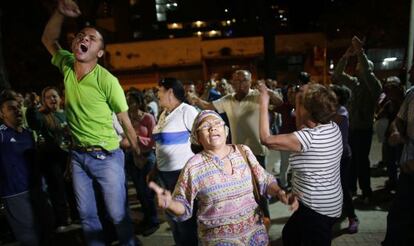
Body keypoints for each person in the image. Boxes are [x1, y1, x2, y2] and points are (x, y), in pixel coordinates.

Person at [41, 0, 140, 245]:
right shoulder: (65, 64)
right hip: (77, 157)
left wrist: (138, 152)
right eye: (81, 35)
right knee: (86, 217)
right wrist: (60, 13)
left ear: (99, 52)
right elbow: (48, 39)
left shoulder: (107, 80)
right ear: (74, 42)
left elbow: (124, 120)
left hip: (106, 156)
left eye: (92, 38)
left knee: (117, 215)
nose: (84, 38)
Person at [149, 110, 296, 245]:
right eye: (205, 126)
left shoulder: (243, 151)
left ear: (225, 131)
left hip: (255, 236)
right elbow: (183, 204)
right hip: (218, 240)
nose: (212, 128)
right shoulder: (193, 166)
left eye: (217, 124)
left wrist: (278, 191)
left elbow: (264, 180)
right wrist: (170, 204)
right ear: (197, 138)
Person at [189, 70, 283, 221]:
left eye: (244, 81)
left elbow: (279, 101)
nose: (240, 84)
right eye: (237, 81)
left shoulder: (257, 96)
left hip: (257, 151)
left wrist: (267, 90)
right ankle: (247, 220)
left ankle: (265, 221)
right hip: (237, 153)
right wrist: (195, 98)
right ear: (232, 83)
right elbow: (207, 106)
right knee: (244, 189)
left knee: (261, 188)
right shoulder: (227, 100)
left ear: (251, 81)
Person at [259, 82, 343, 246]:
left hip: (317, 209)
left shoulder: (308, 139)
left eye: (299, 100)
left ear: (306, 110)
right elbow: (301, 125)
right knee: (290, 234)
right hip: (326, 203)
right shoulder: (332, 127)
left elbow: (266, 140)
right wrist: (298, 101)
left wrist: (263, 101)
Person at [332, 36, 382, 202]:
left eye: (361, 64)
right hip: (352, 129)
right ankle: (351, 189)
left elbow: (367, 73)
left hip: (364, 129)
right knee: (351, 161)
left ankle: (366, 192)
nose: (358, 66)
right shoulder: (355, 83)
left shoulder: (373, 85)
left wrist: (360, 51)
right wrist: (346, 57)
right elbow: (338, 75)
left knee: (362, 162)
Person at [150, 78, 199, 245]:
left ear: (170, 92)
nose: (157, 95)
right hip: (164, 176)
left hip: (181, 175)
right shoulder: (164, 114)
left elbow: (201, 141)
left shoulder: (187, 111)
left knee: (184, 220)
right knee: (172, 218)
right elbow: (160, 147)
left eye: (159, 91)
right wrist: (154, 169)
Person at [26, 86, 72, 231]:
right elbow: (34, 123)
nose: (52, 99)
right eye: (48, 97)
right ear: (44, 100)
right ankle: (62, 219)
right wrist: (32, 108)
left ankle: (77, 215)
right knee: (57, 189)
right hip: (52, 159)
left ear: (60, 98)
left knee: (72, 187)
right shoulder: (42, 115)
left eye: (54, 96)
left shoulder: (67, 113)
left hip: (70, 156)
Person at [0, 94, 40, 246]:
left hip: (36, 190)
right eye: (11, 109)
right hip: (14, 193)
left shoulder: (28, 134)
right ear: (1, 114)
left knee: (45, 231)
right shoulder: (2, 134)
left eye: (18, 107)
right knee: (30, 238)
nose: (17, 111)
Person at [382, 66, 414, 246]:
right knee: (397, 217)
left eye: (413, 69)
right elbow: (399, 120)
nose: (409, 73)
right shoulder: (411, 94)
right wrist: (396, 131)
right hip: (407, 172)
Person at [125, 90, 160, 236]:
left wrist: (137, 138)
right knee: (139, 192)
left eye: (131, 101)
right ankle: (146, 217)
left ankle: (153, 221)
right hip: (132, 157)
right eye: (127, 101)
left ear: (139, 102)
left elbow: (154, 140)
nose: (128, 104)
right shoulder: (126, 118)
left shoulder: (148, 118)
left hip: (147, 157)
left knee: (147, 191)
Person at [331, 84, 359, 234]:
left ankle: (353, 217)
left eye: (331, 94)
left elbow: (325, 122)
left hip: (342, 157)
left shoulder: (342, 112)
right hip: (330, 157)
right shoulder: (330, 111)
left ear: (339, 97)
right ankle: (335, 213)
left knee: (343, 187)